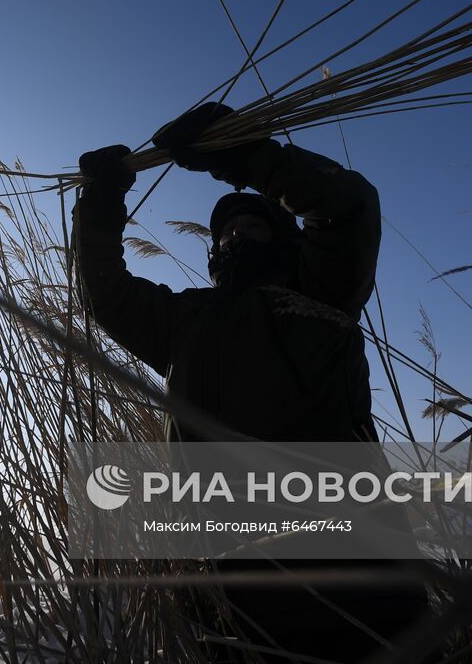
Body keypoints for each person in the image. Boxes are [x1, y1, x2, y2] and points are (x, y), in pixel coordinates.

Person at [72, 102, 430, 662]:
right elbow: (108, 296)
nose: (236, 234)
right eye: (225, 230)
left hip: (355, 586)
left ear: (285, 238)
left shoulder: (320, 291)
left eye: (254, 223)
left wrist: (248, 156)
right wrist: (99, 207)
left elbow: (348, 209)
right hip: (230, 592)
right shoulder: (186, 319)